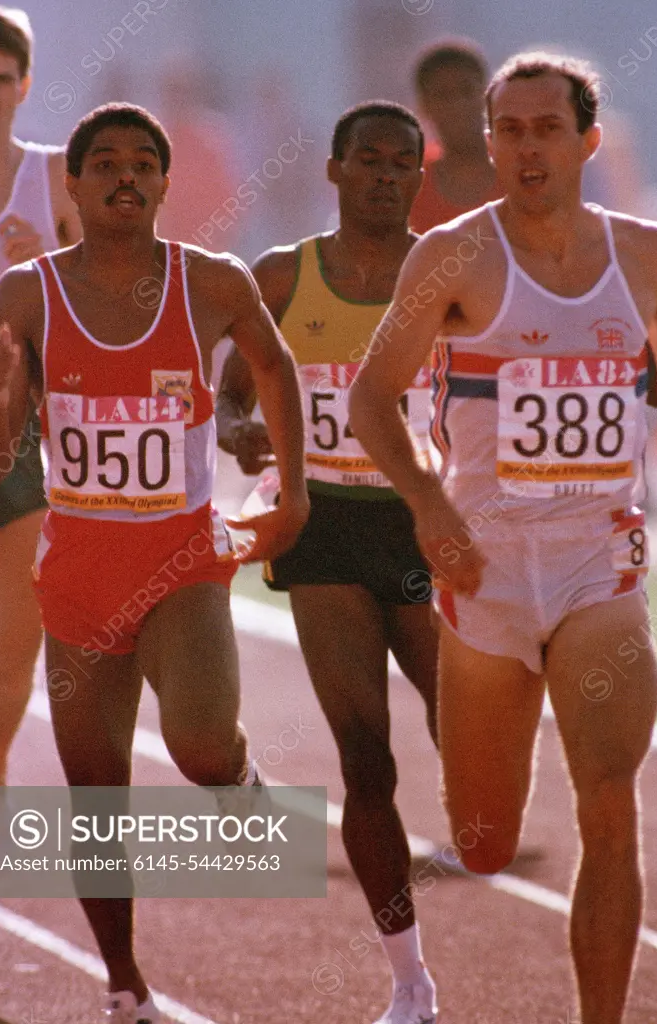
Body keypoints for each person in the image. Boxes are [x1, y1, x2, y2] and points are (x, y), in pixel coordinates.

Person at [348, 53, 657, 1024]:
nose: (528, 147)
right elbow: (371, 398)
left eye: (547, 129)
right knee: (484, 839)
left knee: (609, 804)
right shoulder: (451, 253)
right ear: (489, 142)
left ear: (588, 141)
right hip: (483, 571)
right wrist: (432, 508)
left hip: (597, 564)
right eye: (510, 130)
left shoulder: (648, 254)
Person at [0, 102, 308, 1023]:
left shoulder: (212, 281)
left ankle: (238, 781)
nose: (125, 176)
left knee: (200, 741)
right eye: (105, 163)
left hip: (181, 555)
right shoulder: (26, 294)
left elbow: (274, 369)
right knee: (96, 797)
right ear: (74, 186)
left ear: (165, 183)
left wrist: (295, 492)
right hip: (78, 572)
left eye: (142, 163)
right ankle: (125, 984)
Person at [217, 102, 439, 1024]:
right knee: (366, 761)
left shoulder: (453, 272)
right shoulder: (279, 276)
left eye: (401, 163)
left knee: (466, 743)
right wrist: (243, 436)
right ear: (336, 172)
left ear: (416, 178)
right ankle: (409, 982)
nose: (385, 176)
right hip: (325, 529)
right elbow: (232, 397)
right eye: (368, 160)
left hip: (429, 524)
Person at [0, 5, 81, 788]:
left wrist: (47, 262)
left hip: (26, 437)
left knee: (18, 638)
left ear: (24, 85)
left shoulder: (54, 179)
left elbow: (114, 312)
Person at [409, 39, 502, 233]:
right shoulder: (409, 183)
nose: (458, 105)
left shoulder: (521, 171)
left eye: (467, 91)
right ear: (424, 105)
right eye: (443, 95)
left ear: (489, 96)